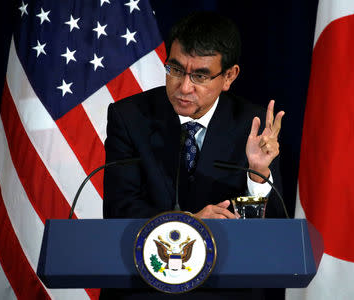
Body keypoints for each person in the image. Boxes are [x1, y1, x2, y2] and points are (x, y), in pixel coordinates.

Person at [101, 11, 285, 300]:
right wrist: (188, 222)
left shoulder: (255, 125)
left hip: (227, 289)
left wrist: (257, 174)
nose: (184, 87)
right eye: (175, 70)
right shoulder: (130, 117)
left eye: (200, 75)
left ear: (229, 76)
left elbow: (271, 234)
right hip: (146, 286)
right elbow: (119, 211)